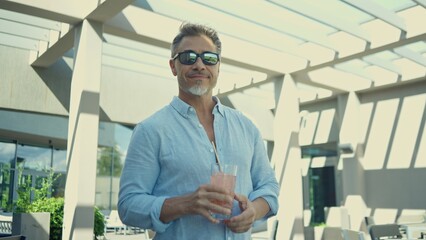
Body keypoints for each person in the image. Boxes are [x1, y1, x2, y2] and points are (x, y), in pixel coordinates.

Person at [118, 22, 279, 240]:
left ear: (218, 67)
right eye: (188, 57)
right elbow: (128, 206)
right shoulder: (150, 130)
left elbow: (268, 186)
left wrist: (254, 211)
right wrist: (185, 204)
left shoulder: (247, 127)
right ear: (173, 66)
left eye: (209, 58)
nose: (200, 65)